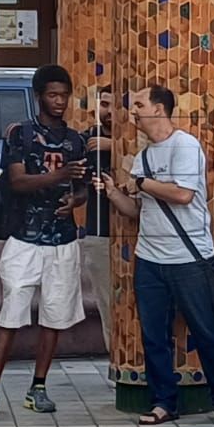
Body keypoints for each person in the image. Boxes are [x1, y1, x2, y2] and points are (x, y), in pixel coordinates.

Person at [98, 86, 214, 425]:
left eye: (139, 104)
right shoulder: (143, 157)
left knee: (207, 331)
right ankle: (163, 402)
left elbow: (183, 194)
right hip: (149, 259)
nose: (133, 111)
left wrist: (141, 183)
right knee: (154, 336)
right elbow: (137, 210)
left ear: (159, 109)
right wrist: (114, 193)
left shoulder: (184, 146)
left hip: (189, 258)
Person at [0, 65, 89, 417]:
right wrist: (59, 175)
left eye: (64, 95)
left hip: (63, 238)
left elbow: (82, 188)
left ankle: (38, 386)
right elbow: (16, 182)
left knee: (54, 315)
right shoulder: (21, 134)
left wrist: (75, 199)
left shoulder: (76, 140)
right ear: (38, 95)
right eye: (53, 95)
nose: (59, 102)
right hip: (24, 236)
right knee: (12, 309)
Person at [81, 89, 114, 355]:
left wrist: (114, 146)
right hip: (100, 233)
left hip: (144, 237)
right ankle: (118, 364)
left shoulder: (143, 140)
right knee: (108, 307)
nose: (110, 111)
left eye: (116, 105)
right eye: (104, 104)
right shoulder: (87, 139)